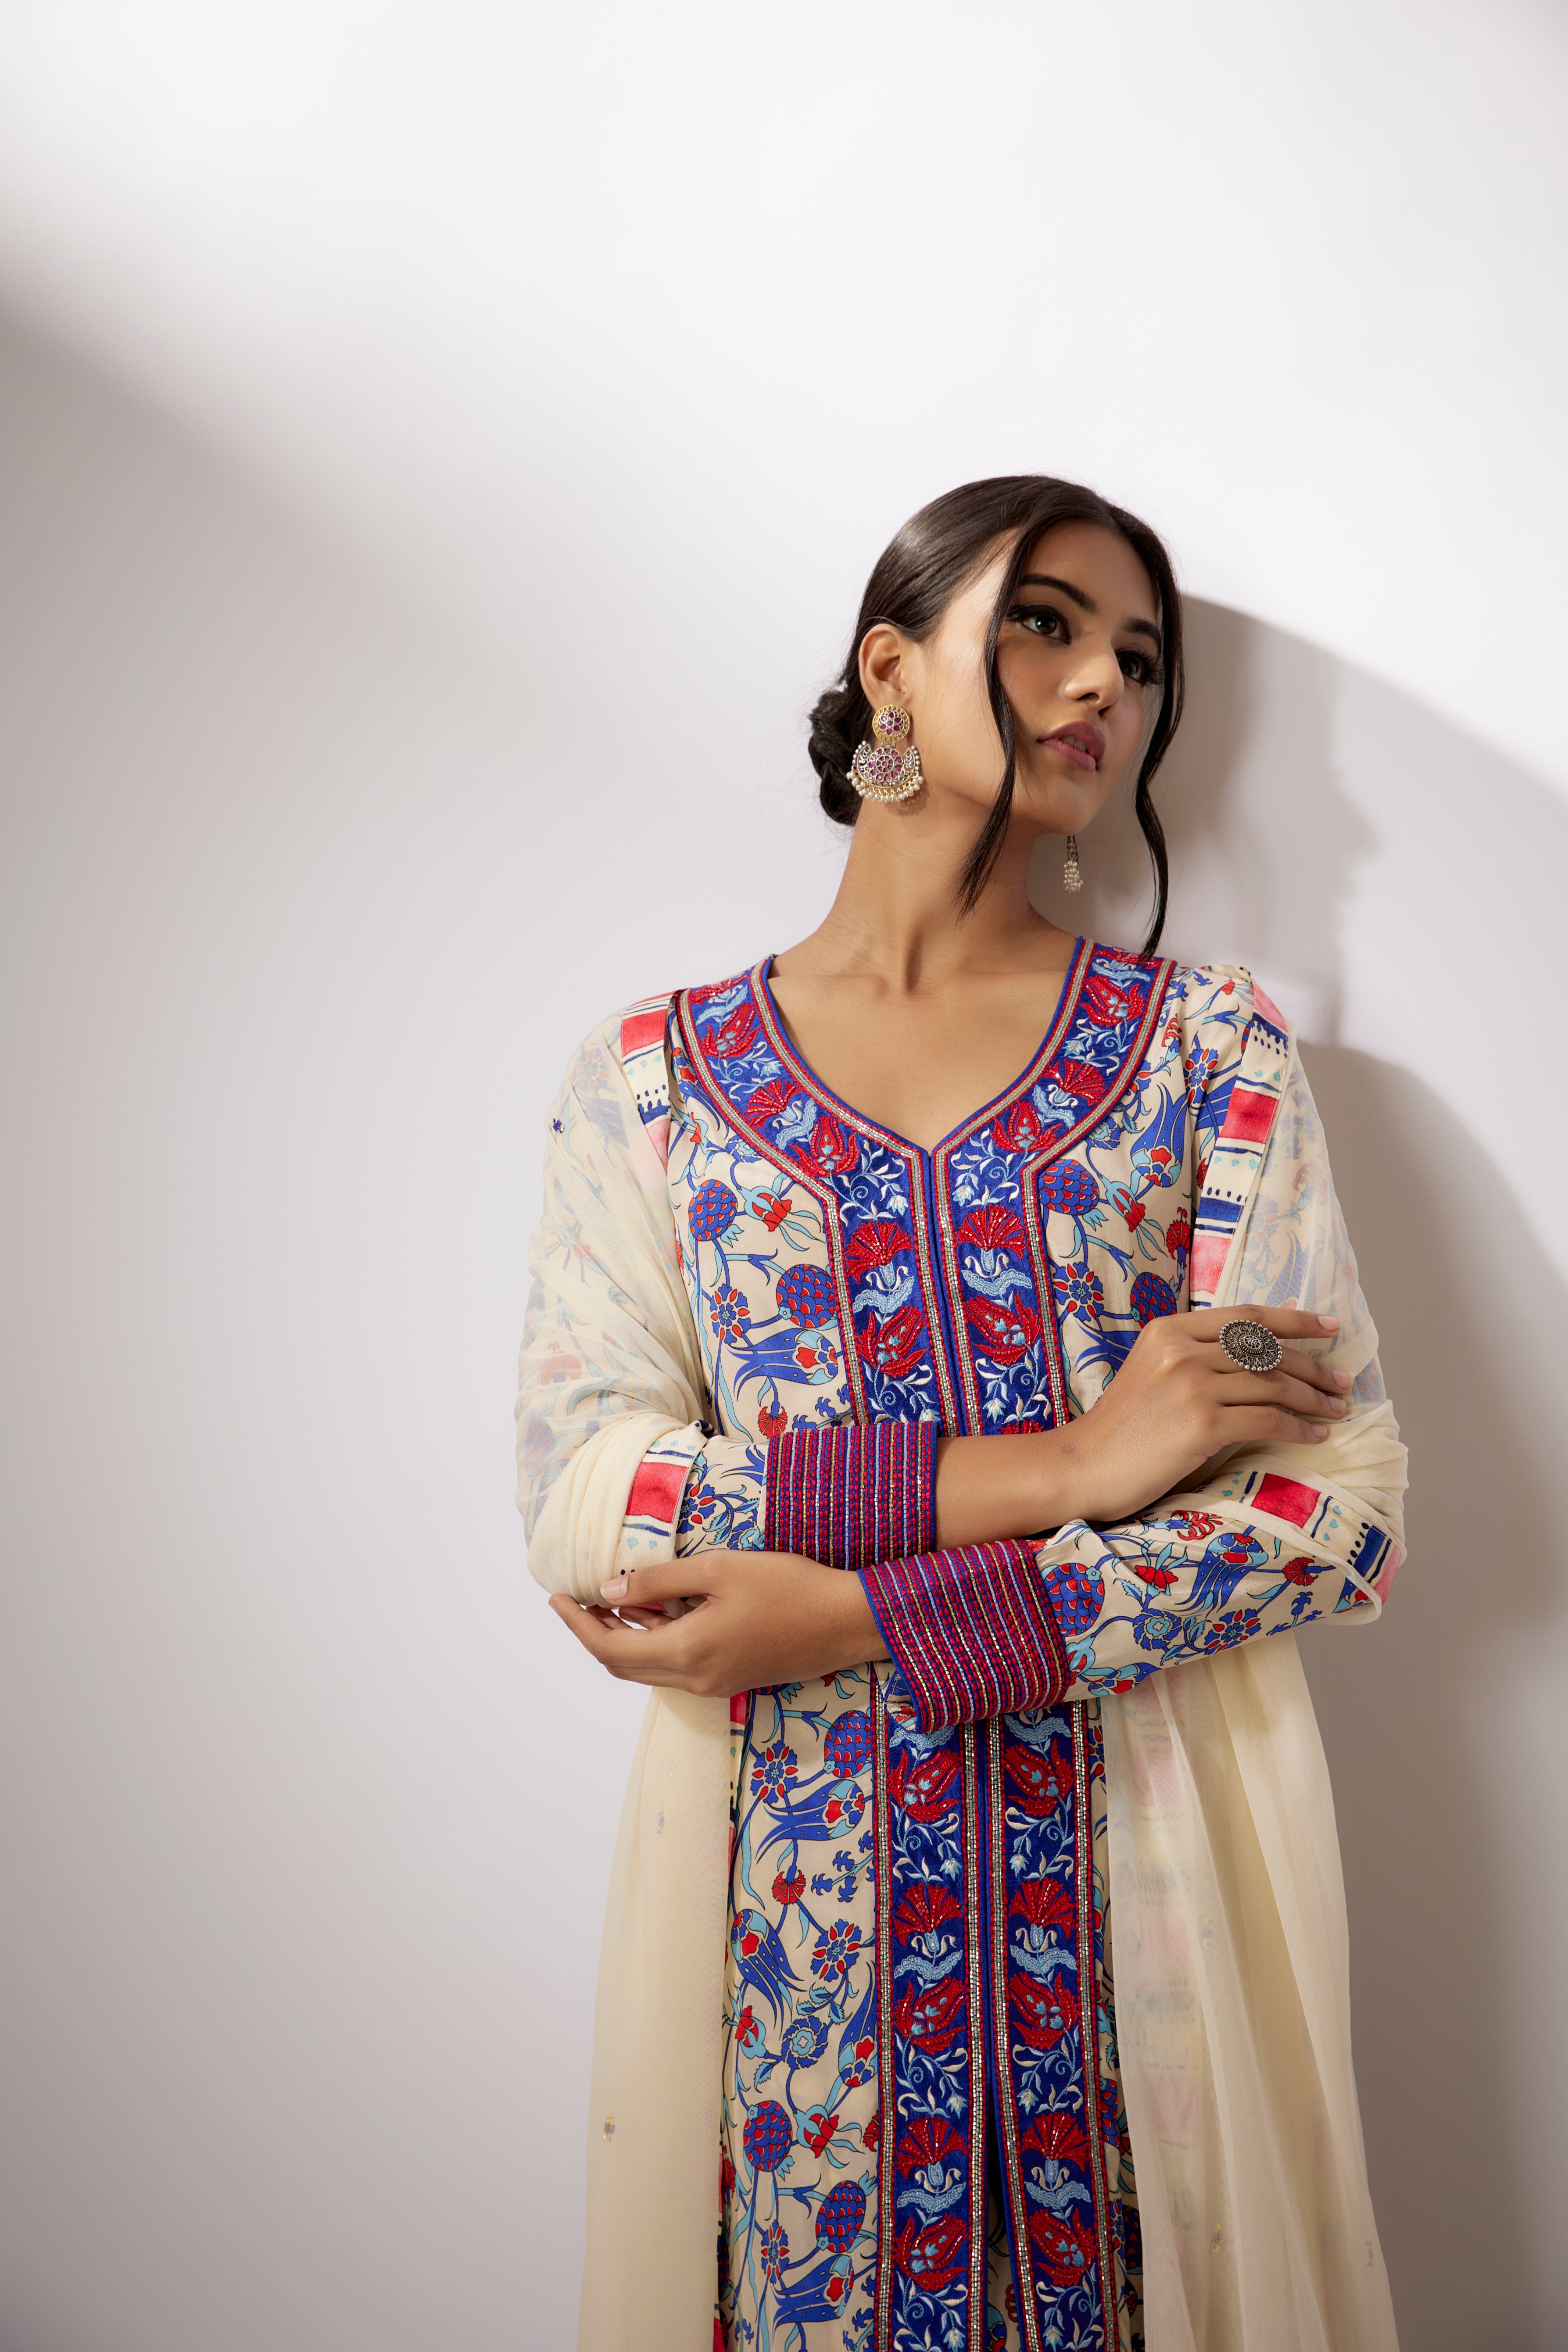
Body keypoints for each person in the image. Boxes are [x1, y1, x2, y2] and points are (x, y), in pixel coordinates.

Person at [517, 476, 1407, 2352]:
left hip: (1145, 1936)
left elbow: (1331, 1513)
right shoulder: (656, 1084)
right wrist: (1079, 1467)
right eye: (1046, 623)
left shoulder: (1209, 1059)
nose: (1104, 687)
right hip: (796, 1968)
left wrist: (859, 1615)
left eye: (1140, 660)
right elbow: (595, 1499)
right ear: (890, 671)